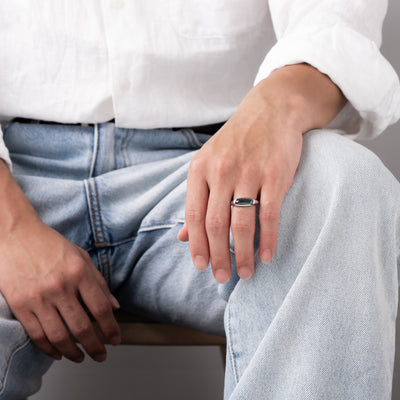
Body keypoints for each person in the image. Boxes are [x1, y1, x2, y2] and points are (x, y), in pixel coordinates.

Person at [0, 1, 400, 398]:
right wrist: (8, 229)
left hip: (217, 163)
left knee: (344, 183)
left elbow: (333, 18)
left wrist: (275, 107)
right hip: (15, 176)